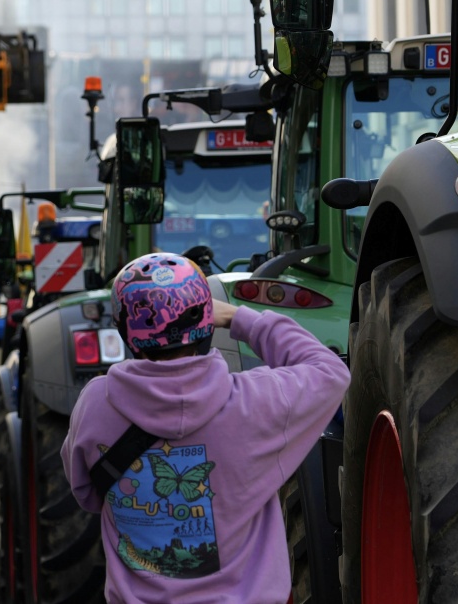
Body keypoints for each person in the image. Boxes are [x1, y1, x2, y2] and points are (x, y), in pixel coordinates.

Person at [61, 252, 350, 603]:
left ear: (127, 332)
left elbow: (87, 494)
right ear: (207, 326)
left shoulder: (95, 406)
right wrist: (239, 318)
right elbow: (331, 371)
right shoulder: (256, 403)